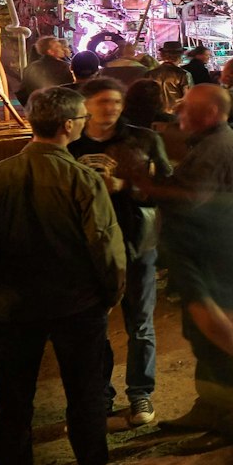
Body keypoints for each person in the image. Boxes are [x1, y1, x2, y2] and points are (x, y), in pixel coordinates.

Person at [0, 86, 127, 465]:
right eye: (81, 118)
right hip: (75, 304)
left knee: (13, 399)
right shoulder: (82, 178)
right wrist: (112, 292)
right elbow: (104, 244)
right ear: (67, 126)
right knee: (85, 390)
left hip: (13, 307)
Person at [133, 85, 233, 442]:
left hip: (214, 253)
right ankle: (210, 406)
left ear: (210, 113)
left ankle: (232, 418)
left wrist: (145, 183)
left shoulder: (216, 149)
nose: (179, 114)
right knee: (200, 335)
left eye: (186, 109)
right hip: (205, 250)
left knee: (215, 338)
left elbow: (188, 198)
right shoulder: (209, 143)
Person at [70, 76, 172, 428]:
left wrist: (126, 185)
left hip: (136, 242)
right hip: (90, 249)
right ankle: (101, 395)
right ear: (85, 106)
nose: (111, 108)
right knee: (93, 326)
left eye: (116, 101)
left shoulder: (144, 139)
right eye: (103, 101)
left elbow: (166, 185)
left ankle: (140, 392)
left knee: (140, 324)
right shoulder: (71, 145)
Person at [17, 36, 75, 104]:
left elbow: (23, 91)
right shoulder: (64, 67)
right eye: (57, 47)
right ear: (50, 51)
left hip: (37, 106)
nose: (62, 49)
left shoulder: (31, 67)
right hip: (60, 106)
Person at [150, 41, 192, 114]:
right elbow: (189, 98)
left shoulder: (150, 74)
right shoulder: (183, 74)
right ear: (180, 55)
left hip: (156, 115)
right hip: (176, 114)